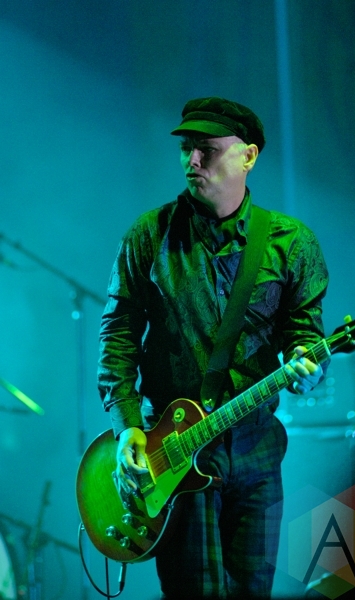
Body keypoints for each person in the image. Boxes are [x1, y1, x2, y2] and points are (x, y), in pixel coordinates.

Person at [98, 97, 329, 599]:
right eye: (187, 148)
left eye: (208, 149)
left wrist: (309, 367)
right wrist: (127, 427)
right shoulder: (149, 235)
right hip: (175, 451)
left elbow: (306, 336)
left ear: (248, 156)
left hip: (256, 452)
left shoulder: (292, 243)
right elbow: (117, 335)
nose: (193, 160)